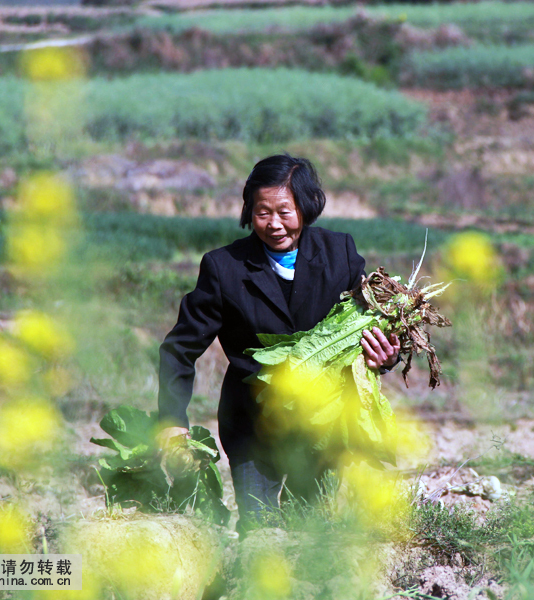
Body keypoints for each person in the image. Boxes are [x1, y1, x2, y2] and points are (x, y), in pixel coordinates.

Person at [156, 154, 400, 530]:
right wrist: (173, 419)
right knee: (260, 532)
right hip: (253, 425)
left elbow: (363, 329)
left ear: (306, 206)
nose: (273, 224)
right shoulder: (224, 268)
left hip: (322, 425)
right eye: (261, 212)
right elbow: (180, 348)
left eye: (285, 212)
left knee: (311, 534)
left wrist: (384, 356)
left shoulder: (340, 255)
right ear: (248, 211)